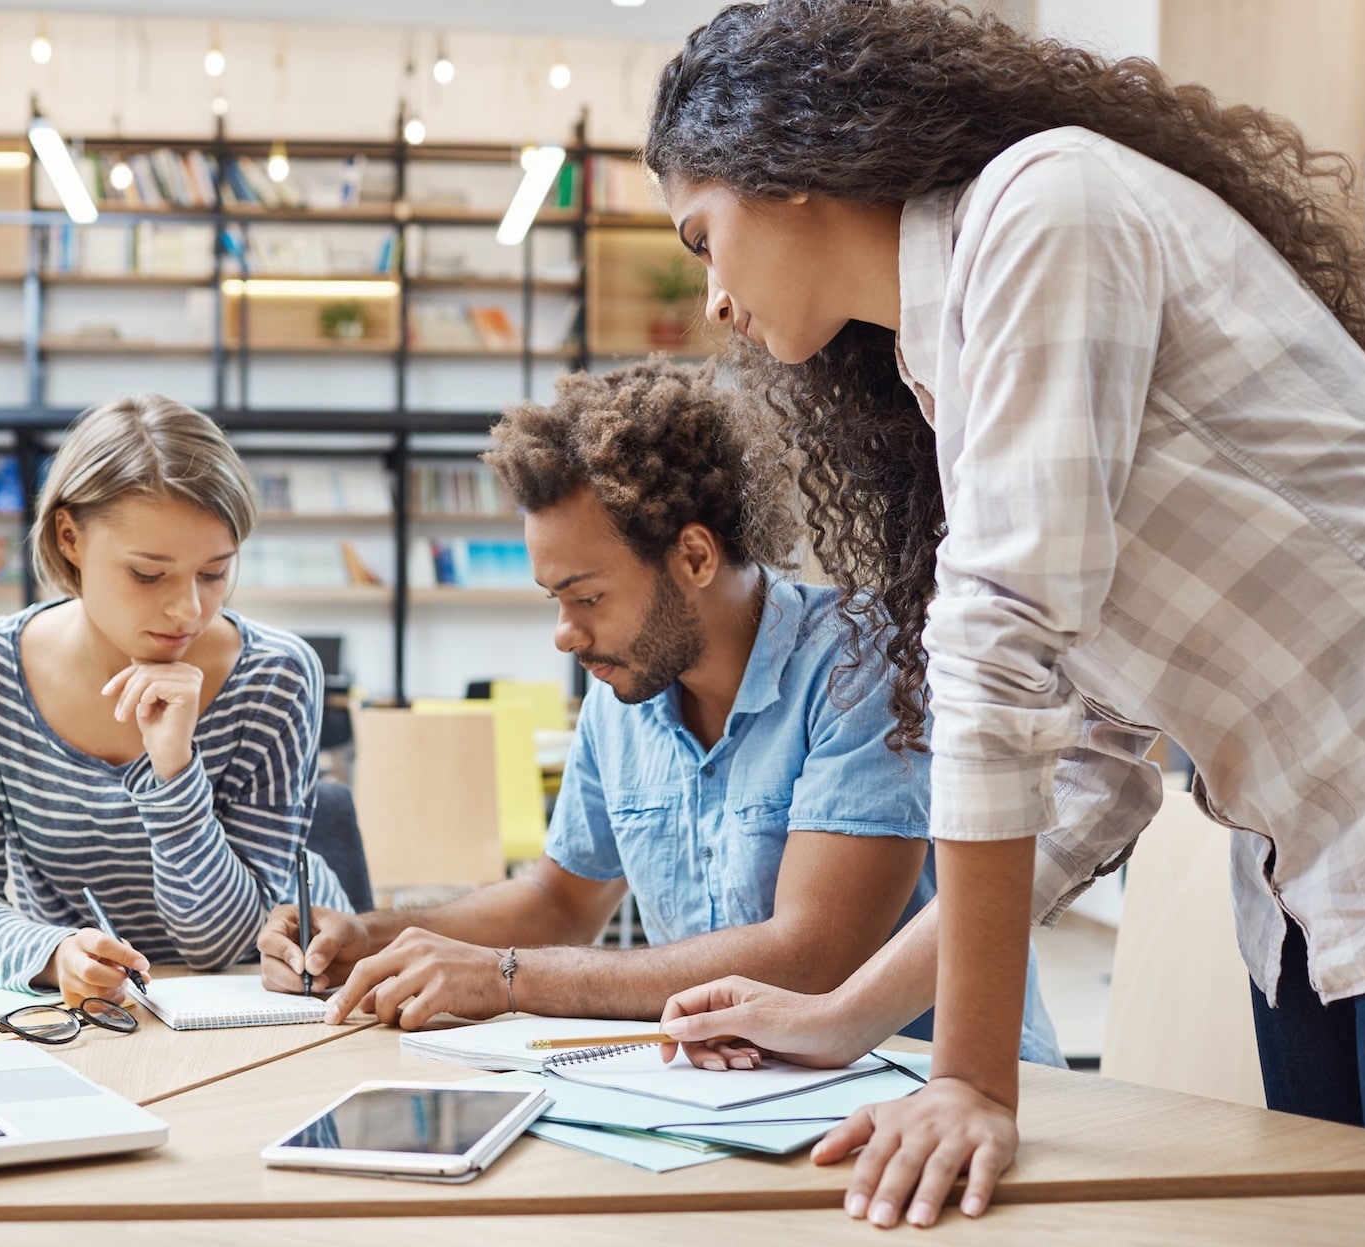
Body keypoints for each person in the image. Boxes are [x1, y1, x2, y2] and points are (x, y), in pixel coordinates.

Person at [642, 0, 1365, 1231]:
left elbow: (998, 642)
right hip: (1310, 869)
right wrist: (851, 1011)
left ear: (784, 167)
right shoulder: (940, 349)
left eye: (702, 239)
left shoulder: (1040, 207)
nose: (711, 298)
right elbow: (1087, 765)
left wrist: (966, 1074)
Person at [255, 360, 1061, 1065]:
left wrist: (506, 977)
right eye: (555, 600)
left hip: (923, 1082)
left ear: (696, 556)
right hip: (745, 1090)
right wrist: (374, 936)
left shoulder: (858, 662)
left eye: (588, 597)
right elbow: (561, 902)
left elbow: (812, 956)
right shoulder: (626, 690)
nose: (566, 635)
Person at [0, 394, 351, 1002]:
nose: (188, 610)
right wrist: (51, 954)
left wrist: (174, 771)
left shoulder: (276, 677)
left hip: (259, 997)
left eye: (214, 572)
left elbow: (220, 944)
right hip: (94, 1004)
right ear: (69, 537)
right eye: (148, 574)